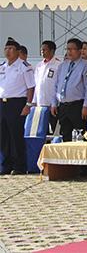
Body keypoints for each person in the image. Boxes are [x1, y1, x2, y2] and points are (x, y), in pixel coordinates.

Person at [0, 38, 35, 175]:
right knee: (3, 136)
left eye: (11, 49)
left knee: (15, 136)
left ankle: (19, 165)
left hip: (17, 103)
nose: (8, 51)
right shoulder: (2, 66)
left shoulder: (24, 67)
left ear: (17, 51)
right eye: (6, 48)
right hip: (3, 103)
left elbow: (31, 87)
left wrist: (28, 105)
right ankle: (6, 165)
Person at [51, 38, 87, 142]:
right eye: (67, 49)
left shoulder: (86, 66)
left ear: (79, 50)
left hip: (77, 105)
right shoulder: (62, 66)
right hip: (63, 105)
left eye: (72, 49)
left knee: (79, 134)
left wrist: (86, 106)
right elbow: (56, 85)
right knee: (65, 134)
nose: (69, 51)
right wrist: (54, 103)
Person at [32, 41, 62, 133]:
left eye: (44, 50)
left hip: (52, 104)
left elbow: (59, 85)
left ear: (52, 51)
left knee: (55, 129)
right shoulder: (39, 65)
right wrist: (34, 101)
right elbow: (36, 84)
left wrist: (54, 103)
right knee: (41, 130)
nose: (42, 52)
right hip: (40, 103)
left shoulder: (58, 64)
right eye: (41, 50)